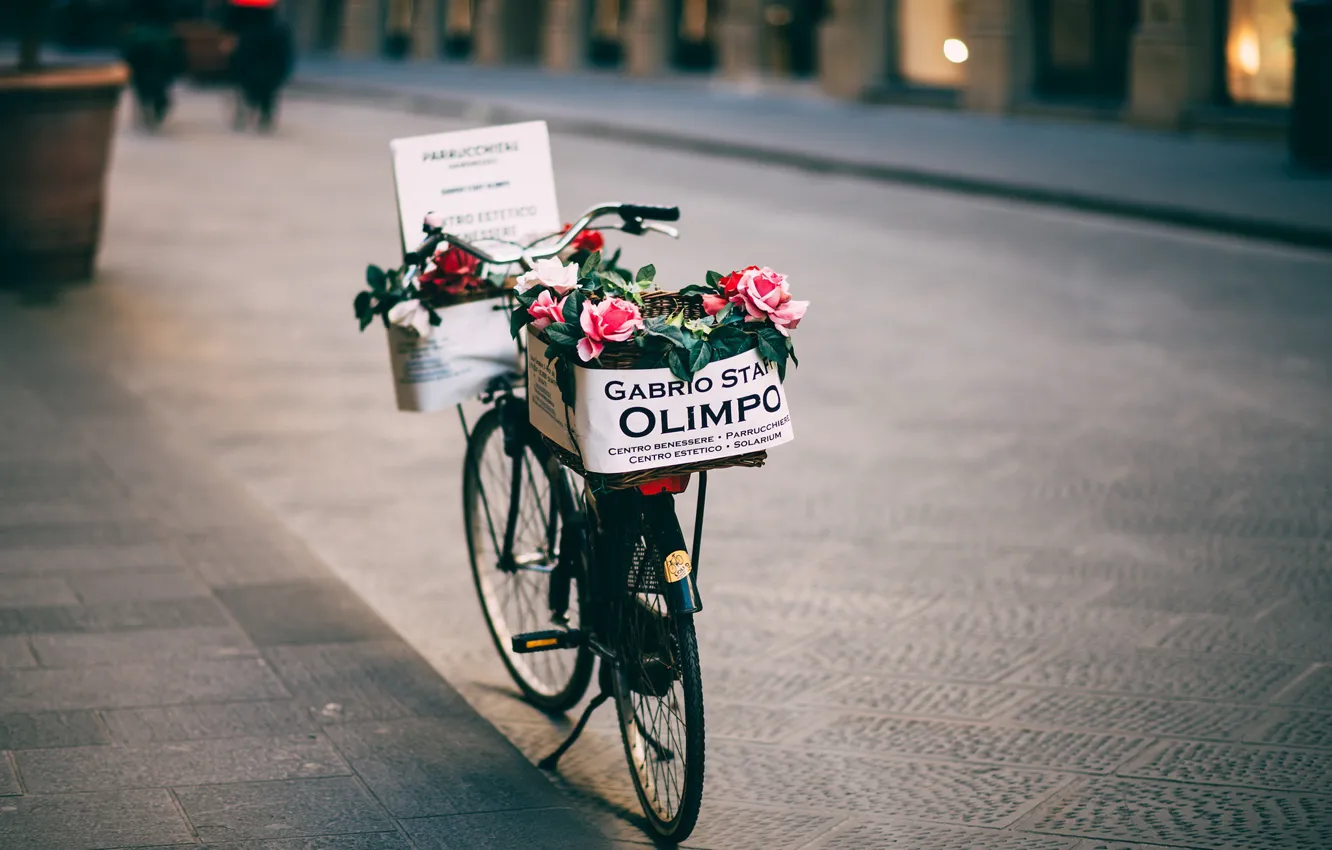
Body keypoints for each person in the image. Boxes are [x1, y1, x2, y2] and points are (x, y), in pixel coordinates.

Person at [224, 0, 295, 131]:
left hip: (251, 48)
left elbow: (230, 25)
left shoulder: (240, 9)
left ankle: (251, 110)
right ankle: (263, 113)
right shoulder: (272, 20)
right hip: (266, 50)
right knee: (265, 85)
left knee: (248, 80)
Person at [120, 0, 186, 129]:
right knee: (159, 76)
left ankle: (148, 103)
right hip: (159, 38)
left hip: (143, 37)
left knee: (141, 76)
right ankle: (156, 103)